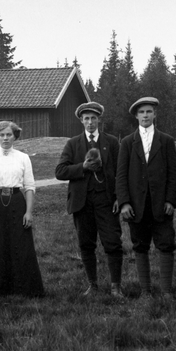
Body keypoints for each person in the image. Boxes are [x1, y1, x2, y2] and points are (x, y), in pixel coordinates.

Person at [56, 101, 125, 298]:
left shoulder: (111, 142)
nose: (90, 122)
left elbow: (121, 172)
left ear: (99, 120)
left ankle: (115, 286)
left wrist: (120, 197)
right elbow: (60, 172)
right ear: (81, 121)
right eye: (86, 119)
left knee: (112, 242)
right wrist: (83, 167)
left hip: (106, 201)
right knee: (86, 244)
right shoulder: (73, 144)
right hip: (82, 203)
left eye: (93, 118)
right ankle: (92, 285)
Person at [116, 96, 176, 300]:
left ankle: (166, 291)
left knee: (166, 244)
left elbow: (173, 174)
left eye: (149, 111)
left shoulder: (166, 141)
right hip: (136, 206)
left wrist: (170, 200)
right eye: (142, 112)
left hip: (161, 205)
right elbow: (121, 175)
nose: (145, 115)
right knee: (140, 245)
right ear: (136, 116)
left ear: (155, 114)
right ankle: (145, 290)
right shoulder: (127, 142)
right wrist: (124, 202)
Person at [0, 120, 45, 298]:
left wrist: (28, 212)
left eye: (9, 135)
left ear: (15, 136)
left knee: (20, 244)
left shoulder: (23, 157)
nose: (5, 138)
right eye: (1, 135)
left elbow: (29, 186)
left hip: (17, 202)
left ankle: (23, 288)